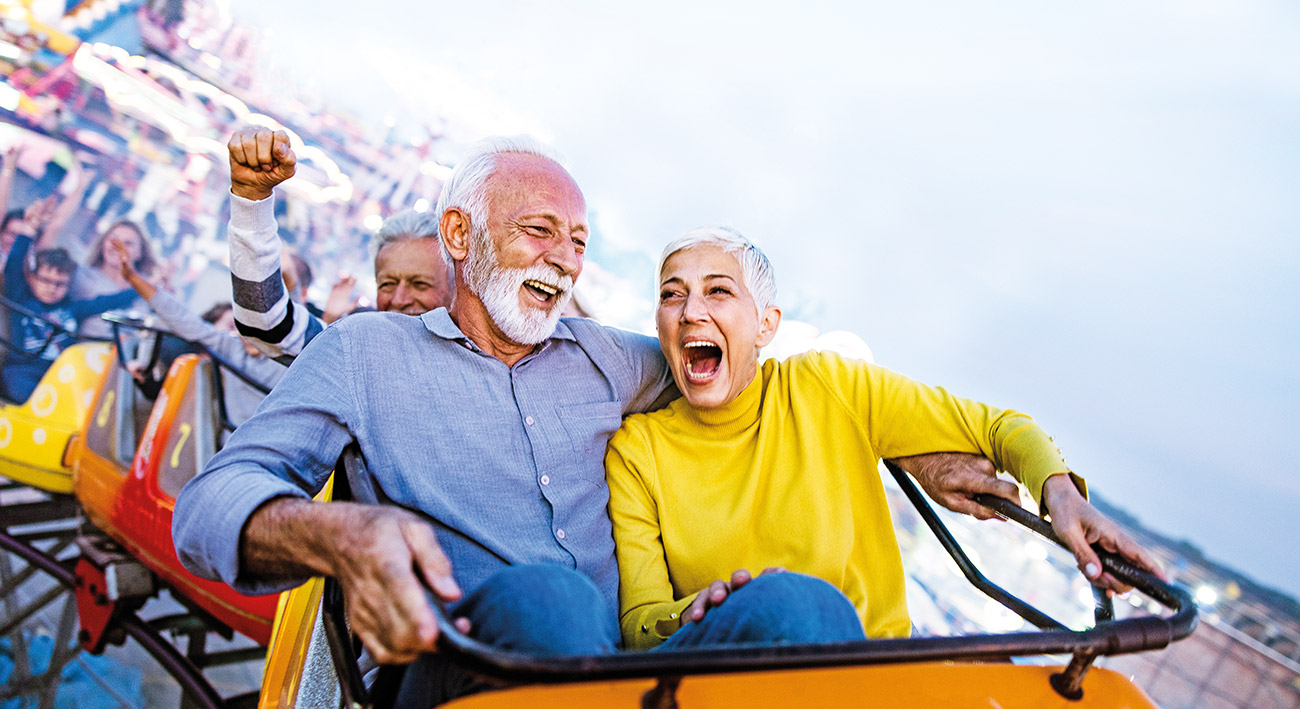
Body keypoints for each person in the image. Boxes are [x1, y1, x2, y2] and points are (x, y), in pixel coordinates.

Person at [174, 134, 1055, 706]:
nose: (563, 261)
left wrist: (931, 452)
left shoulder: (607, 358)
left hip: (631, 674)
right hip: (475, 659)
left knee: (798, 603)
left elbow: (736, 367)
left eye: (580, 243)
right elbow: (212, 504)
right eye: (538, 232)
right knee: (549, 596)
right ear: (457, 231)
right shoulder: (367, 354)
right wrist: (339, 531)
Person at [605, 227, 1166, 650]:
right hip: (728, 681)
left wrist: (1061, 497)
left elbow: (998, 428)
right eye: (672, 295)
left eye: (718, 291)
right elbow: (640, 625)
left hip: (877, 670)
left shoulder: (827, 386)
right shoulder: (637, 452)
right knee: (790, 607)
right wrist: (697, 613)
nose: (690, 312)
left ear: (766, 325)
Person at [223, 128, 450, 360]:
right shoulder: (356, 355)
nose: (399, 299)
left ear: (454, 292)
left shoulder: (473, 370)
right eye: (388, 284)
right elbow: (265, 326)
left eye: (420, 284)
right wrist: (251, 196)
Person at [109, 240, 286, 425]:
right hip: (229, 444)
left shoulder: (288, 360)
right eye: (244, 324)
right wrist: (132, 277)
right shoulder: (231, 348)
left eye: (259, 325)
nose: (248, 334)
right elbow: (180, 317)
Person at [1, 233, 136, 402]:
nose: (52, 288)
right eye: (45, 280)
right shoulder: (22, 300)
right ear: (33, 278)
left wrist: (142, 288)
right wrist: (26, 233)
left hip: (62, 372)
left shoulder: (72, 310)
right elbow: (13, 269)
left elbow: (107, 302)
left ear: (69, 285)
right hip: (23, 369)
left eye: (60, 283)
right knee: (19, 385)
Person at [70, 219, 158, 339]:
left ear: (140, 253)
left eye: (128, 243)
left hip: (131, 355)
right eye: (113, 239)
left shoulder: (152, 284)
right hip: (86, 351)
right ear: (103, 244)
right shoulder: (82, 276)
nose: (117, 246)